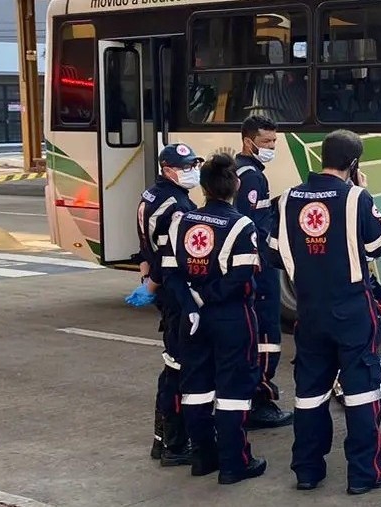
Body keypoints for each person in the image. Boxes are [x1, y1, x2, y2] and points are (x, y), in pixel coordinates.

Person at [267, 129, 381, 495]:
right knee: (361, 394)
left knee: (309, 394)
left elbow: (274, 253)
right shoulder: (356, 197)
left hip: (309, 311)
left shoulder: (288, 199)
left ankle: (307, 471)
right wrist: (364, 193)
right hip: (351, 310)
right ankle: (364, 474)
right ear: (354, 164)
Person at [161, 154, 268, 485]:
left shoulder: (181, 221)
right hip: (231, 317)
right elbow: (242, 277)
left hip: (191, 319)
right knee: (234, 389)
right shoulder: (241, 225)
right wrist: (207, 297)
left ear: (204, 187)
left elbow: (170, 273)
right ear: (235, 185)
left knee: (195, 388)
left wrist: (191, 303)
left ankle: (203, 457)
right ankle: (235, 463)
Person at [131, 143, 201, 466]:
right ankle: (174, 444)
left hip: (163, 290)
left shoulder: (149, 196)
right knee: (177, 369)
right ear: (167, 168)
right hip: (174, 292)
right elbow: (169, 255)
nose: (191, 170)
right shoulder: (176, 206)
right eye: (184, 166)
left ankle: (163, 441)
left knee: (173, 365)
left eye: (192, 164)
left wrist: (145, 276)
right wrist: (153, 283)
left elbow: (144, 246)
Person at [233, 115, 294, 429]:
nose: (272, 147)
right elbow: (249, 227)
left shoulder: (241, 171)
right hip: (260, 269)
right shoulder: (252, 177)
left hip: (254, 267)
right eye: (267, 142)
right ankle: (261, 401)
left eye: (274, 141)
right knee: (267, 336)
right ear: (249, 141)